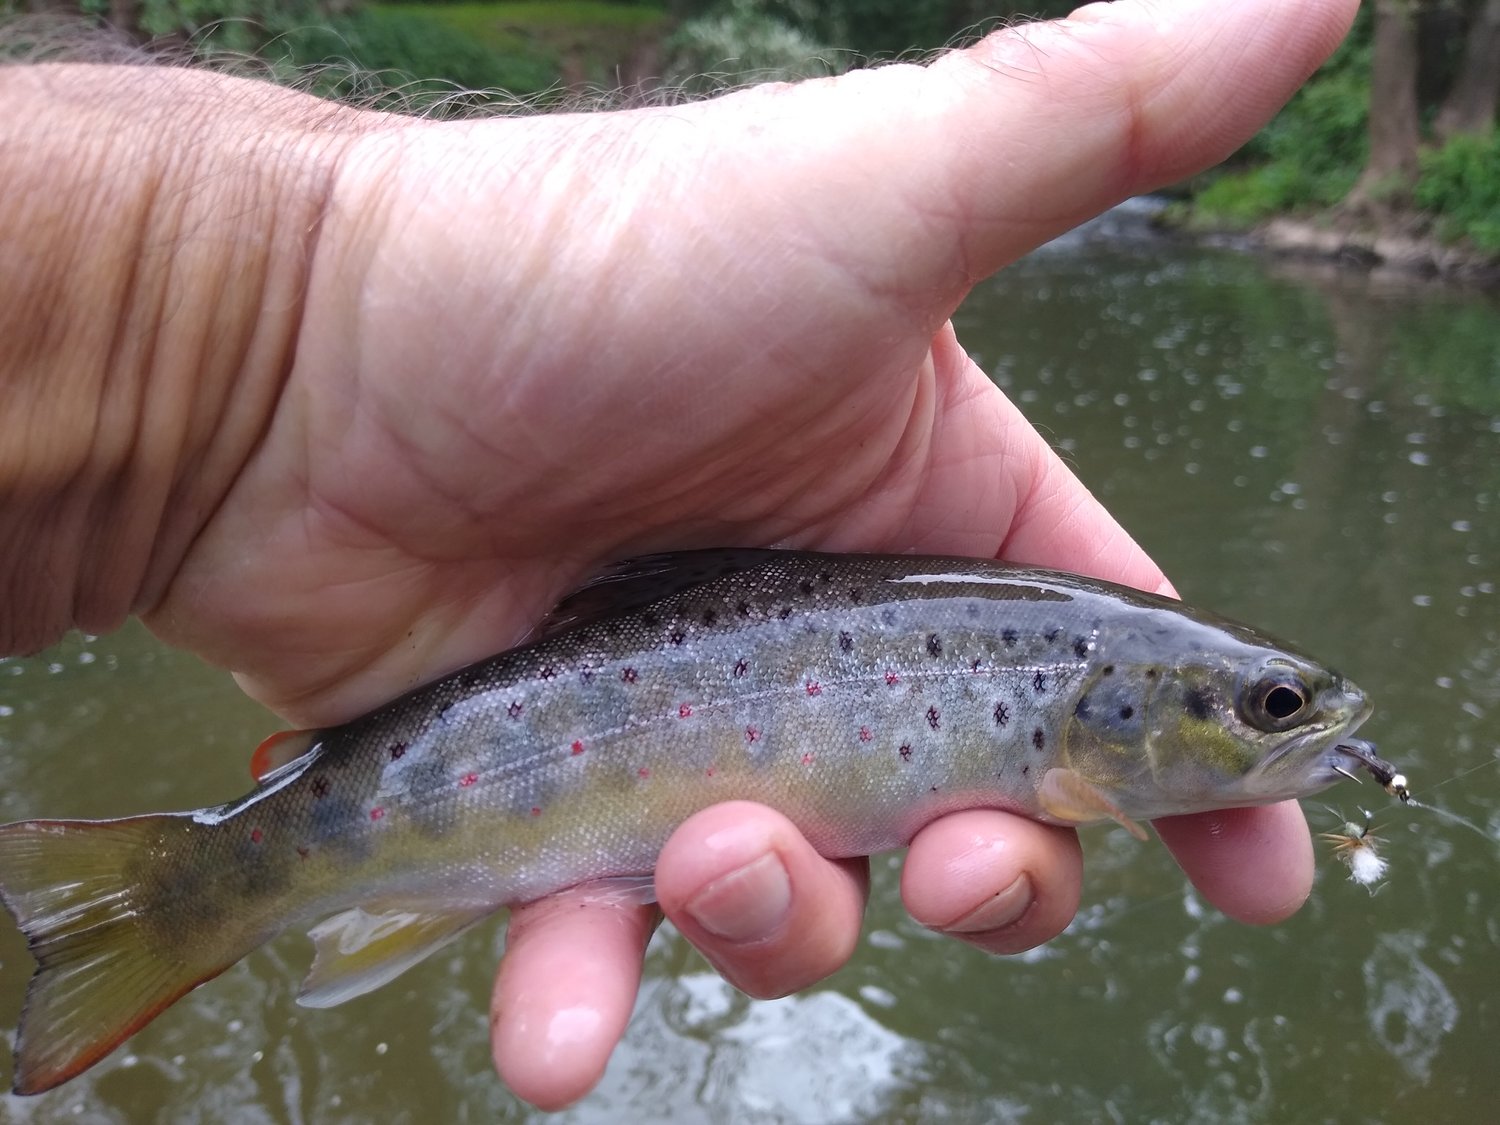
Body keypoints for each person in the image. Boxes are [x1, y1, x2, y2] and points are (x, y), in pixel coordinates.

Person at [0, 0, 1359, 1109]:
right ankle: (187, 890)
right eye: (1270, 706)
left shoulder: (1084, 682)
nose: (1288, 722)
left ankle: (204, 886)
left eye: (1274, 703)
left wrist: (246, 337)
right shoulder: (1071, 678)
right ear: (1119, 714)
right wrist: (258, 322)